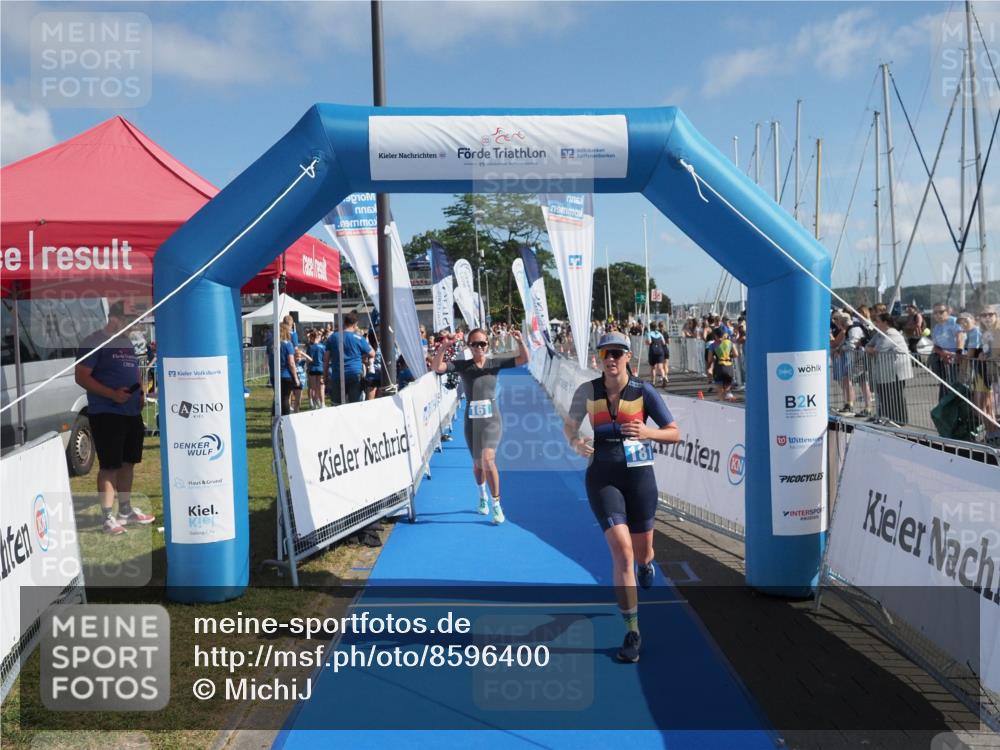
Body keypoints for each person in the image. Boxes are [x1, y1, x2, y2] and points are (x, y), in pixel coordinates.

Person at [563, 332, 680, 663]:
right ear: (599, 358)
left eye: (616, 353)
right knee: (623, 552)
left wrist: (648, 432)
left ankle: (647, 564)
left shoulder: (644, 392)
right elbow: (569, 426)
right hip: (602, 477)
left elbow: (675, 432)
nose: (610, 359)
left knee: (643, 553)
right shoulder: (588, 391)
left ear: (628, 356)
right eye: (604, 354)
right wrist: (575, 442)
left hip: (640, 479)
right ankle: (632, 631)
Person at [430, 327, 528, 524]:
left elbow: (524, 359)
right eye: (475, 344)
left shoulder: (494, 363)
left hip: (492, 420)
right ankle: (482, 495)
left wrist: (520, 341)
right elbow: (437, 368)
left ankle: (497, 505)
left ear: (487, 345)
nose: (479, 347)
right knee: (477, 466)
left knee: (488, 459)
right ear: (469, 346)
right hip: (472, 422)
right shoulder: (463, 365)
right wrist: (443, 348)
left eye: (482, 343)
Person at [75, 301, 155, 535]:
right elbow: (81, 376)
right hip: (107, 413)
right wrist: (111, 394)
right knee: (110, 465)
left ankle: (126, 510)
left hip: (131, 413)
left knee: (129, 462)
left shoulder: (125, 342)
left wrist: (140, 391)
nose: (134, 326)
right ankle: (107, 517)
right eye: (131, 321)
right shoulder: (94, 341)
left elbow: (133, 370)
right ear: (116, 318)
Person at [865, 313, 912, 425]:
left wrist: (870, 349)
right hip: (885, 370)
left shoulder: (892, 334)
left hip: (896, 370)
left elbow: (878, 349)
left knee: (896, 395)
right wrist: (869, 349)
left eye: (877, 321)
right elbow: (868, 346)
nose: (875, 323)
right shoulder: (879, 334)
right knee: (884, 394)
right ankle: (886, 417)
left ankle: (900, 420)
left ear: (885, 322)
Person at [324, 313, 373, 404]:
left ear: (344, 323)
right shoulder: (358, 338)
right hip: (354, 374)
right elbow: (372, 353)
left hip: (337, 375)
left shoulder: (333, 337)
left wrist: (325, 375)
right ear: (355, 324)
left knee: (337, 405)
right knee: (355, 405)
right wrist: (361, 356)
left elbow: (326, 359)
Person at [706, 327, 738, 401]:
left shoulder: (712, 345)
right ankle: (729, 395)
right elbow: (736, 354)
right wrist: (729, 356)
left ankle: (722, 403)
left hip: (719, 367)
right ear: (723, 335)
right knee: (727, 386)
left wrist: (709, 366)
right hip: (729, 367)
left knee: (719, 388)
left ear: (715, 336)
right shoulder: (730, 342)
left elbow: (709, 359)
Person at [276, 320, 300, 416]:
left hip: (275, 375)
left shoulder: (273, 344)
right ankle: (285, 420)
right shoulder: (288, 344)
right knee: (285, 398)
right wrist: (295, 377)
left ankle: (275, 419)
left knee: (277, 398)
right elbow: (291, 362)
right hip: (286, 375)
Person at [306, 331, 326, 409]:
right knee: (321, 388)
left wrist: (307, 368)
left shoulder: (310, 347)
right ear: (318, 337)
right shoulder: (323, 347)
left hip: (312, 369)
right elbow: (325, 358)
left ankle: (314, 404)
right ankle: (322, 404)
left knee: (313, 388)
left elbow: (308, 359)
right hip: (321, 368)